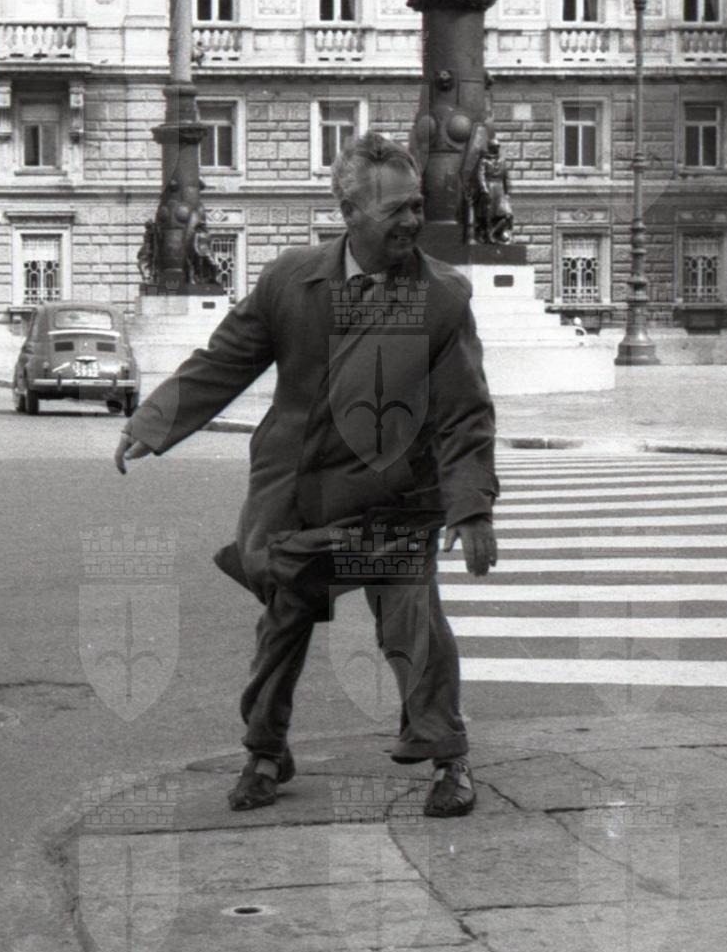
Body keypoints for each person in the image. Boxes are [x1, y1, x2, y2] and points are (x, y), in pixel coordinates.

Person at [114, 133, 499, 818]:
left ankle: (449, 757)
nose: (413, 221)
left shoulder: (441, 298)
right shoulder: (290, 280)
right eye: (396, 210)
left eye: (416, 205)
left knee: (413, 618)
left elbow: (464, 411)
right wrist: (154, 421)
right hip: (297, 490)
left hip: (392, 495)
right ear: (348, 212)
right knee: (284, 618)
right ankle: (266, 752)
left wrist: (471, 508)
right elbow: (226, 359)